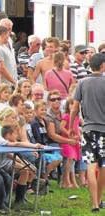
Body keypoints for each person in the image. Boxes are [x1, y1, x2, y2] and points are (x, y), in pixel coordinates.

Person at [0, 124, 43, 212]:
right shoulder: (0, 141)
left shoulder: (6, 144)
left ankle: (4, 201)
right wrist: (34, 146)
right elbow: (17, 143)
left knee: (8, 179)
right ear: (8, 135)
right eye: (15, 134)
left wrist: (24, 163)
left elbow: (9, 155)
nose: (17, 136)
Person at [70, 53, 105, 212]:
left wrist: (72, 126)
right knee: (103, 165)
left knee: (91, 165)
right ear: (102, 65)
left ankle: (94, 204)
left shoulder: (82, 83)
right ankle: (99, 198)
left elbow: (75, 108)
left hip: (88, 129)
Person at [60, 98, 80, 189]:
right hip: (67, 141)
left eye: (74, 104)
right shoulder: (67, 116)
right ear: (67, 106)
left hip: (74, 141)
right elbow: (61, 127)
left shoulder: (77, 117)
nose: (72, 106)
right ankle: (66, 180)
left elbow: (77, 128)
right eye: (70, 104)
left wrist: (78, 136)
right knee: (69, 159)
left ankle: (69, 182)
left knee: (72, 161)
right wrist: (68, 133)